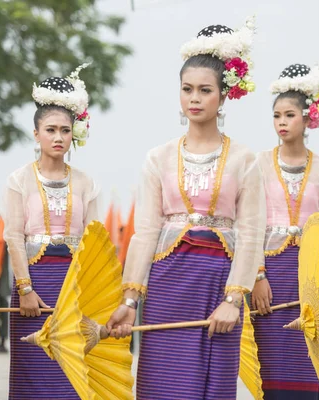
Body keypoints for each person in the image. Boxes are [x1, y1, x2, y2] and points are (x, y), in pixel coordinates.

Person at [106, 18, 266, 399]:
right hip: (168, 283)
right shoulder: (157, 158)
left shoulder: (245, 159)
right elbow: (145, 232)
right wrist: (130, 301)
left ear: (223, 96)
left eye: (205, 90)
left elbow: (251, 233)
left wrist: (233, 299)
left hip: (218, 284)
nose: (194, 98)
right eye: (187, 89)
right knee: (165, 385)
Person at [5, 66, 98, 399]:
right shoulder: (19, 180)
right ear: (36, 133)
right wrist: (25, 288)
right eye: (50, 130)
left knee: (70, 376)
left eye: (65, 130)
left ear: (74, 133)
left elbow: (94, 244)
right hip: (34, 288)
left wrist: (88, 295)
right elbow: (13, 237)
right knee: (34, 376)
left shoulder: (87, 183)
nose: (58, 137)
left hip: (72, 288)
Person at [250, 63, 319, 399]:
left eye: (289, 115)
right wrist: (256, 276)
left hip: (310, 278)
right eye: (276, 116)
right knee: (270, 370)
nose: (282, 123)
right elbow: (250, 223)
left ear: (308, 117)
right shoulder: (257, 164)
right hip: (270, 276)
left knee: (310, 367)